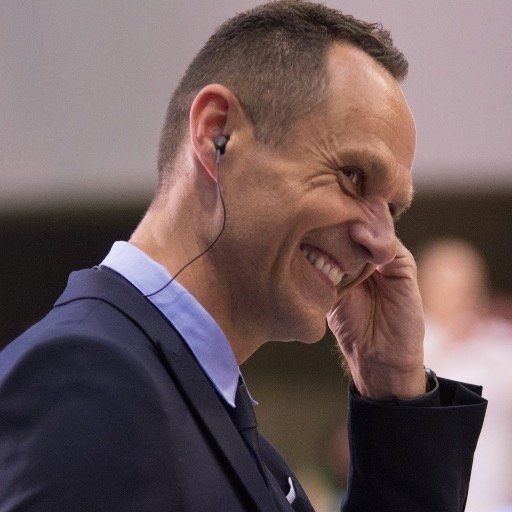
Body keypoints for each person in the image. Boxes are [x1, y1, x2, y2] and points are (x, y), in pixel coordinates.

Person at [0, 2, 487, 511]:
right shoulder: (85, 381)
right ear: (218, 134)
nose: (383, 244)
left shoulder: (215, 418)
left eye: (392, 209)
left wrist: (395, 392)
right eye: (353, 177)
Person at [419, 239, 512, 512]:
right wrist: (451, 339)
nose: (459, 299)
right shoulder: (412, 345)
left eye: (466, 288)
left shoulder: (499, 342)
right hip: (429, 499)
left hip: (494, 497)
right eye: (448, 288)